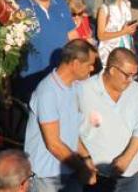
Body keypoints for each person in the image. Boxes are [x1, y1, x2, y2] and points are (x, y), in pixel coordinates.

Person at [24, 39, 98, 192]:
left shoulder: (75, 88)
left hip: (69, 171)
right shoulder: (48, 92)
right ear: (75, 64)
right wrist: (82, 168)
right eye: (89, 64)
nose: (92, 68)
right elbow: (54, 144)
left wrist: (86, 158)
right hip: (47, 178)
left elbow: (72, 132)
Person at [76, 48, 138, 192]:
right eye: (127, 75)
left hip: (130, 177)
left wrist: (126, 158)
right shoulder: (83, 91)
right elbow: (69, 130)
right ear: (112, 70)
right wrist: (85, 161)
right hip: (96, 177)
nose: (130, 80)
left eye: (134, 75)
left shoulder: (137, 91)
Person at [16, 0, 75, 99]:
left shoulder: (60, 2)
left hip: (62, 75)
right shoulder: (20, 9)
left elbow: (72, 35)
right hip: (34, 77)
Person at [96, 0, 136, 64]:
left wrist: (131, 30)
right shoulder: (105, 9)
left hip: (126, 45)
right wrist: (123, 32)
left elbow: (127, 27)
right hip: (110, 51)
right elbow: (101, 36)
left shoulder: (126, 4)